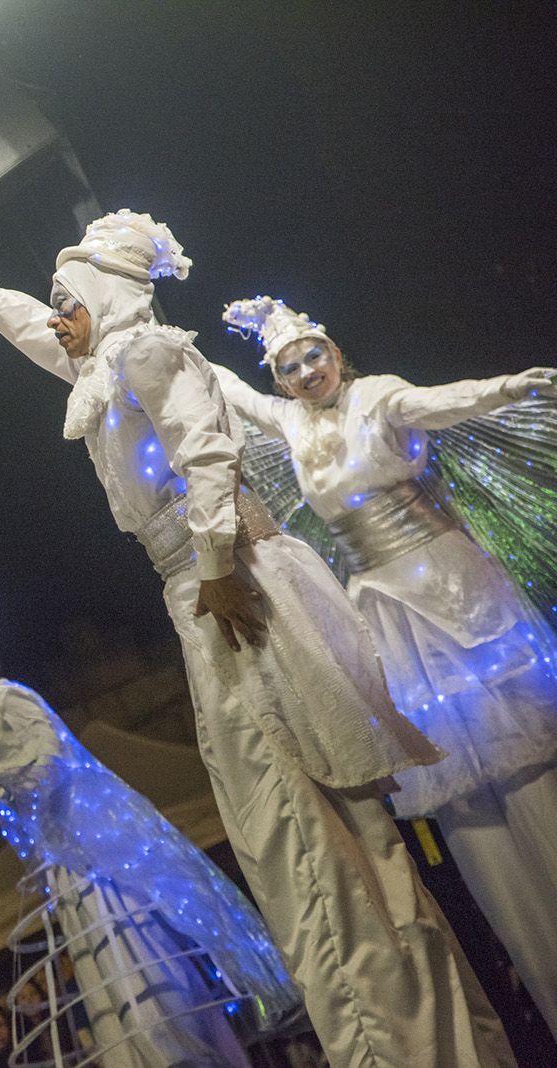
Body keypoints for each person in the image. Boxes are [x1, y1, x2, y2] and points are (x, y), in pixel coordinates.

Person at [0, 207, 514, 1067]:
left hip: (235, 590)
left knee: (304, 825)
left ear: (103, 299)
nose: (56, 318)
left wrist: (219, 568)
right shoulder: (104, 365)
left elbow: (206, 456)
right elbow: (33, 334)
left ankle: (402, 1041)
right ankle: (391, 1035)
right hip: (201, 591)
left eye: (67, 302)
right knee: (285, 826)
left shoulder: (151, 353)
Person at [212, 296, 557, 1037]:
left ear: (336, 354)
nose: (307, 373)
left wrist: (509, 389)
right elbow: (228, 392)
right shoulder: (293, 423)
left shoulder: (379, 395)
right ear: (279, 379)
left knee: (526, 762)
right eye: (290, 367)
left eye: (314, 356)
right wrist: (144, 337)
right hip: (386, 612)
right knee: (463, 798)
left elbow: (440, 403)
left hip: (450, 590)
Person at [0, 597, 289, 1067]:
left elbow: (47, 761)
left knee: (133, 959)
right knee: (101, 962)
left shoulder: (8, 697)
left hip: (89, 853)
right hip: (64, 857)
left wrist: (7, 778)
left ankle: (176, 1052)